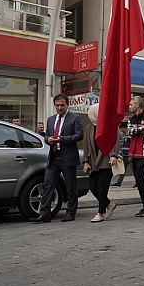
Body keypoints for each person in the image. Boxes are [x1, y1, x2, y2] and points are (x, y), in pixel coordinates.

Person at [31, 94, 84, 223]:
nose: (59, 108)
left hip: (68, 156)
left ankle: (71, 212)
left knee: (71, 186)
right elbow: (47, 135)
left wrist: (63, 139)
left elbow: (79, 135)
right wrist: (47, 139)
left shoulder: (75, 118)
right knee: (48, 185)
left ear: (67, 105)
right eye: (57, 105)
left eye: (62, 105)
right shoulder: (50, 119)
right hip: (54, 157)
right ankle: (45, 213)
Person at [83, 104, 118, 222]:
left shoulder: (110, 126)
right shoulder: (89, 128)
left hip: (106, 160)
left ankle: (100, 213)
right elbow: (86, 145)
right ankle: (109, 204)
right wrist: (86, 161)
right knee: (93, 187)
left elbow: (115, 141)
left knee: (102, 188)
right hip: (94, 162)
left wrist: (114, 155)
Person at [111, 123, 130, 187]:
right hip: (124, 154)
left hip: (129, 155)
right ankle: (119, 182)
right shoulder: (124, 136)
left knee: (134, 169)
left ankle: (138, 182)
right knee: (123, 168)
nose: (121, 131)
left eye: (121, 129)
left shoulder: (130, 135)